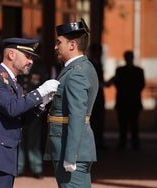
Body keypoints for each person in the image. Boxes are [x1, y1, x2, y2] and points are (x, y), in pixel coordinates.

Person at [0, 37, 60, 188]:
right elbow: (12, 108)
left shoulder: (14, 83)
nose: (31, 61)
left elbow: (21, 119)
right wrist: (39, 92)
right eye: (27, 56)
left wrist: (41, 103)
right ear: (11, 55)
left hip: (5, 156)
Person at [43, 19, 99, 188]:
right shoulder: (81, 67)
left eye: (59, 42)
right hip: (70, 146)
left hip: (69, 148)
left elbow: (77, 115)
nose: (55, 47)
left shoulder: (76, 73)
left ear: (72, 45)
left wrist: (71, 155)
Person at [105, 50, 145, 151]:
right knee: (123, 124)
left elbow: (141, 85)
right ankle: (124, 142)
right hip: (124, 102)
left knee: (133, 124)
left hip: (132, 102)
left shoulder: (137, 71)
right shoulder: (121, 70)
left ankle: (134, 143)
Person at [17, 59, 47, 179]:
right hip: (19, 110)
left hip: (34, 110)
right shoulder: (18, 68)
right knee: (19, 140)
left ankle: (37, 168)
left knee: (34, 141)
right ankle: (18, 167)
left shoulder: (39, 69)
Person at [88, 43, 107, 150]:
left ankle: (99, 142)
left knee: (100, 121)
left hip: (99, 97)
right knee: (93, 121)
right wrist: (102, 84)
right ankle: (93, 144)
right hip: (93, 98)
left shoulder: (98, 64)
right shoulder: (90, 64)